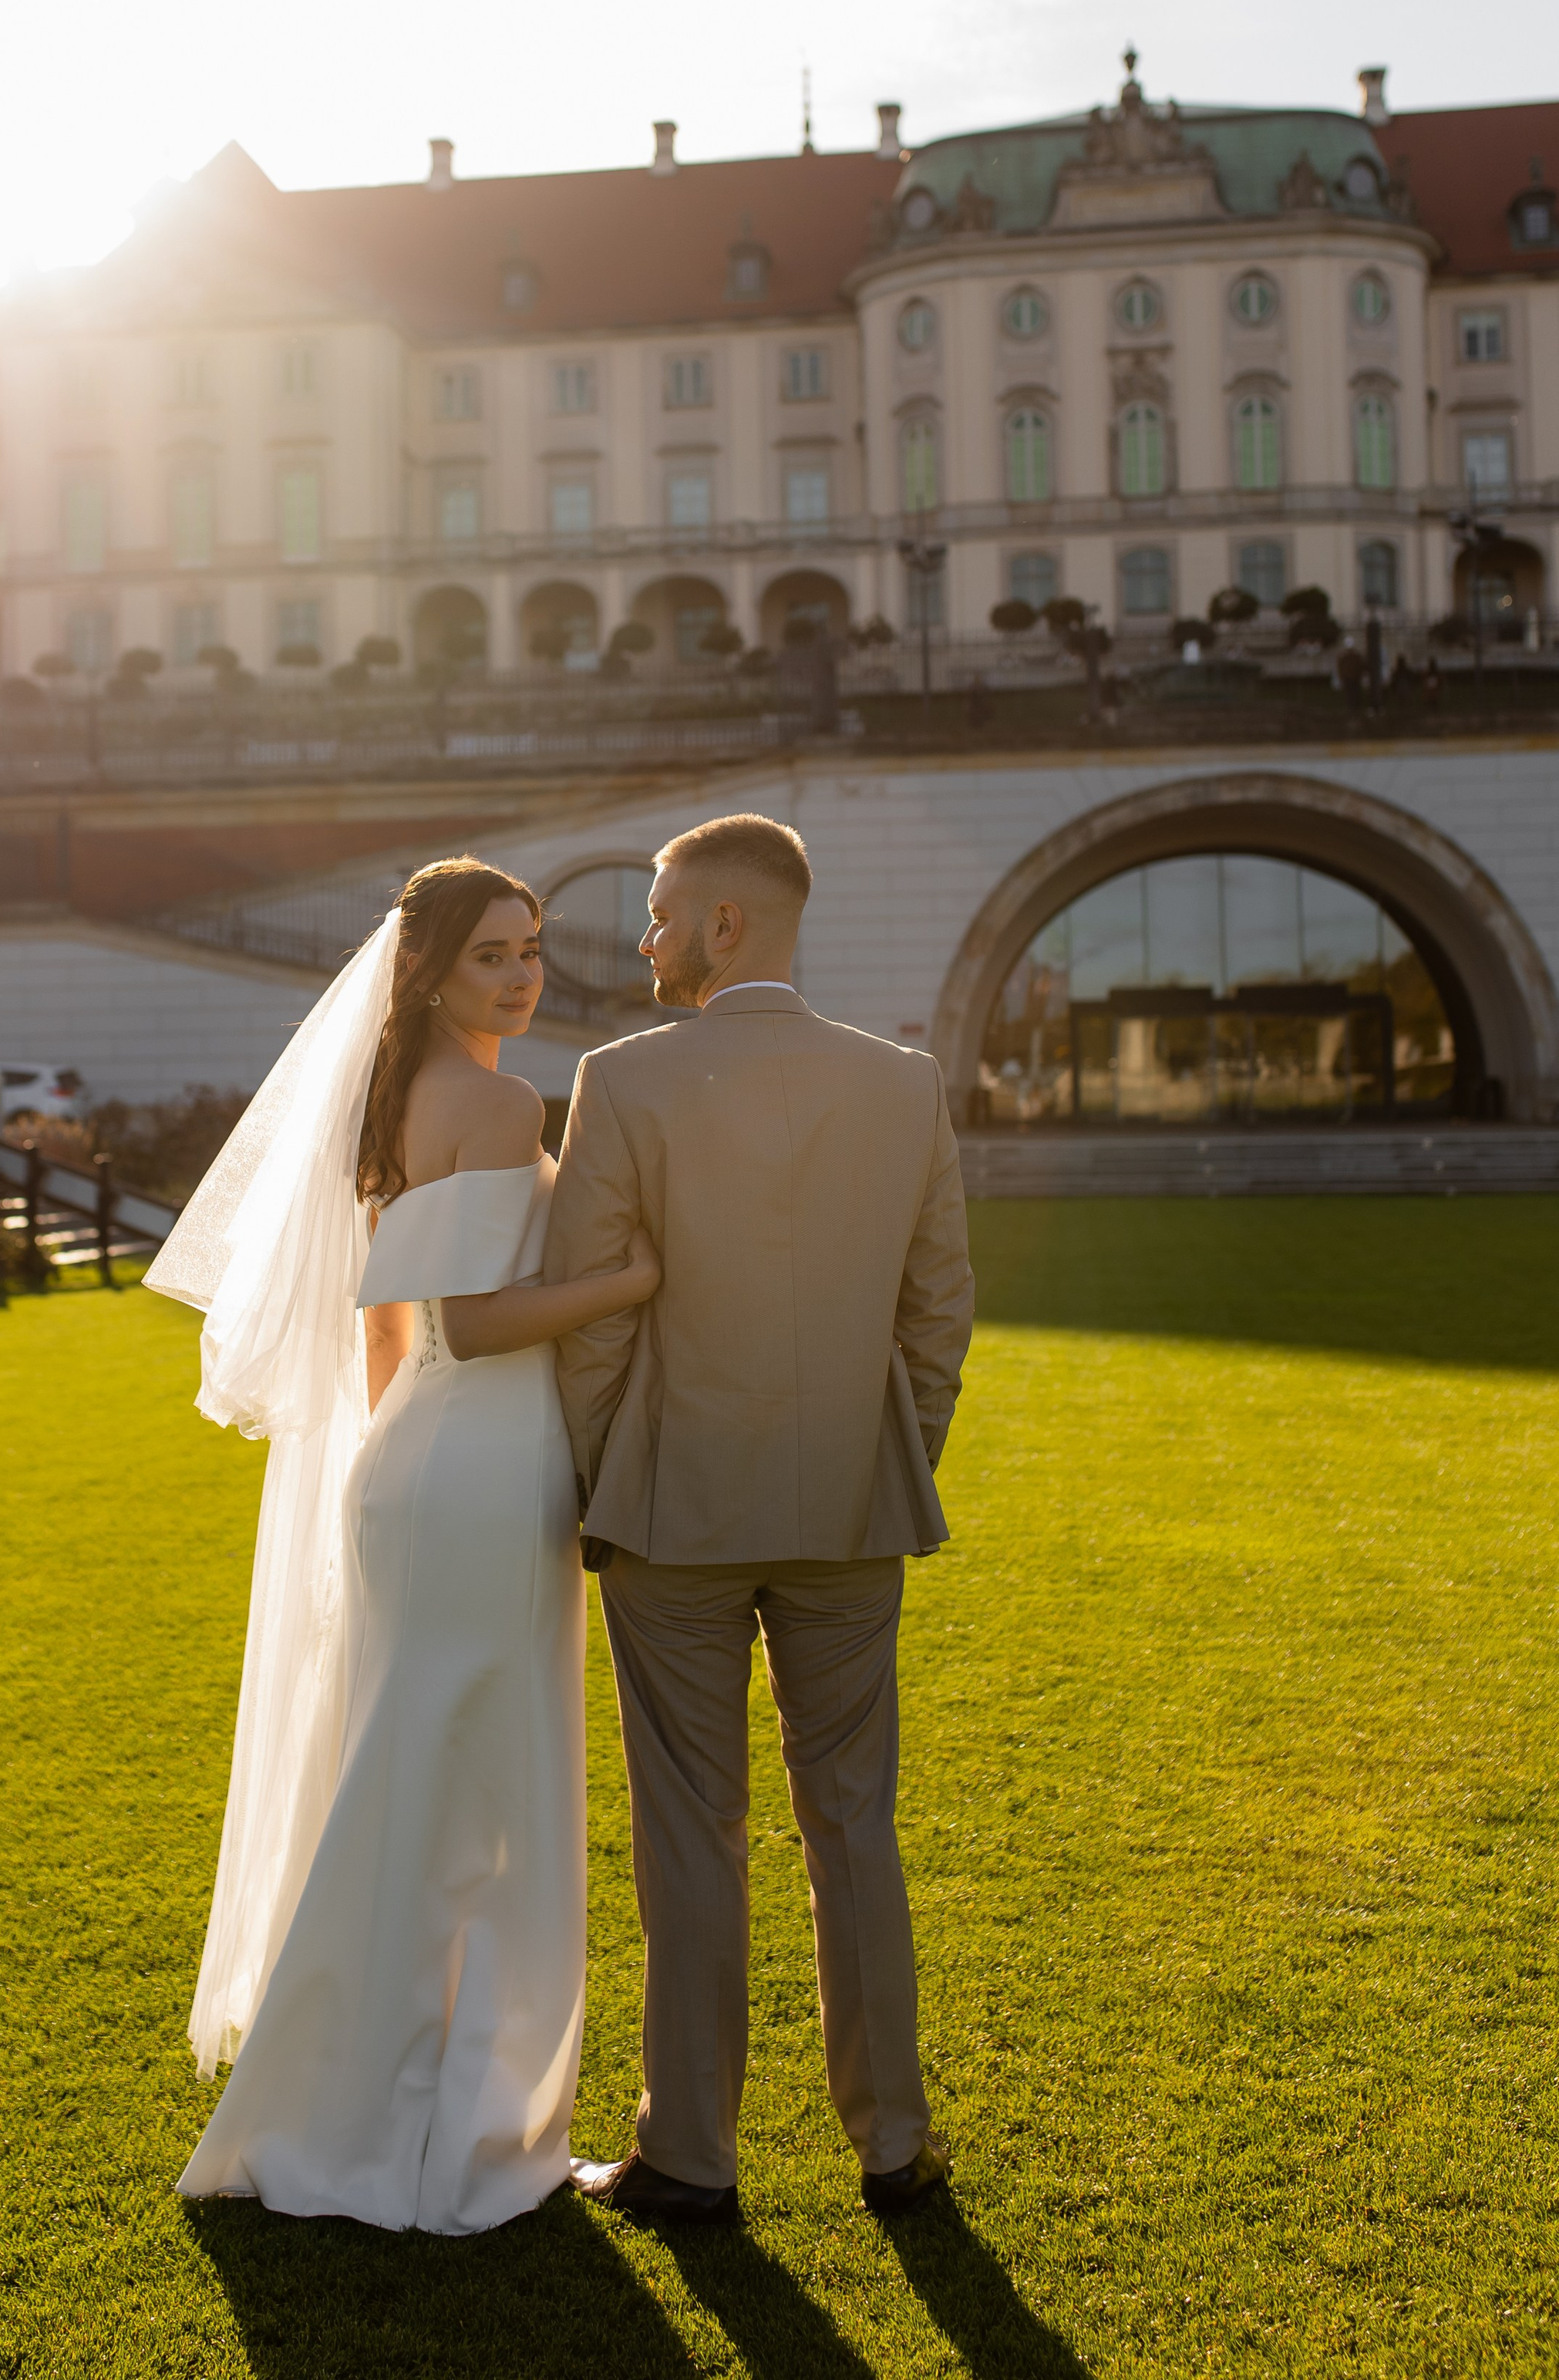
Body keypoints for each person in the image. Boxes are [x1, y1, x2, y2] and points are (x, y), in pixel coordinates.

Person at [146, 858, 658, 2233]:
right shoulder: (495, 1102)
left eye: (534, 946)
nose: (524, 973)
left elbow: (390, 1336)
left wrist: (389, 1461)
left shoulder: (395, 1103)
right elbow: (475, 1324)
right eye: (494, 953)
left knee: (415, 1792)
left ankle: (377, 2100)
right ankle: (442, 2125)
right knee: (480, 1805)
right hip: (485, 1464)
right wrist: (632, 1276)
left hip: (418, 1464)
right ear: (428, 973)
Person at [545, 812, 974, 2227]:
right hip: (854, 1506)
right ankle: (894, 2145)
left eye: (662, 911)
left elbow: (593, 1322)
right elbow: (938, 1315)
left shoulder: (621, 1081)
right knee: (856, 1824)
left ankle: (691, 2157)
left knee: (691, 1836)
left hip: (674, 1513)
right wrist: (883, 1448)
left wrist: (605, 1474)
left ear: (728, 924)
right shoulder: (905, 1086)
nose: (648, 934)